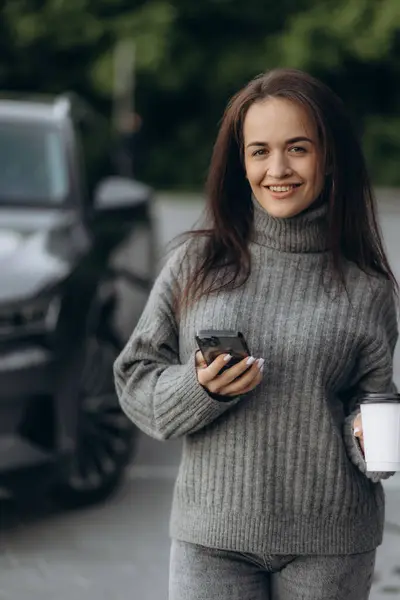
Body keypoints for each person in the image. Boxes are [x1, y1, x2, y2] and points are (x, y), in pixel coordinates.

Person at [113, 68, 399, 600]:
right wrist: (200, 390)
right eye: (259, 151)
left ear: (329, 157)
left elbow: (372, 400)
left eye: (298, 148)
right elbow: (134, 380)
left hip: (331, 540)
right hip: (211, 536)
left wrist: (372, 436)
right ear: (240, 163)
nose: (278, 169)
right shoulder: (193, 261)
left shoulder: (370, 288)